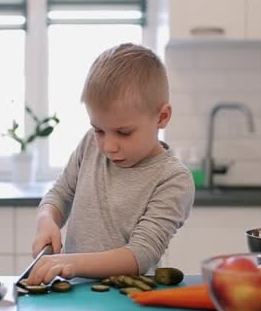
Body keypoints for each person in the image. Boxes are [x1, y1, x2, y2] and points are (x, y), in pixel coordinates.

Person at [27, 43, 194, 285]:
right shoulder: (90, 145)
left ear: (162, 117)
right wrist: (47, 221)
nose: (108, 146)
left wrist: (70, 263)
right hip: (73, 289)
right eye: (99, 130)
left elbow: (141, 254)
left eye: (124, 132)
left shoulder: (173, 179)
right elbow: (60, 194)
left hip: (127, 299)